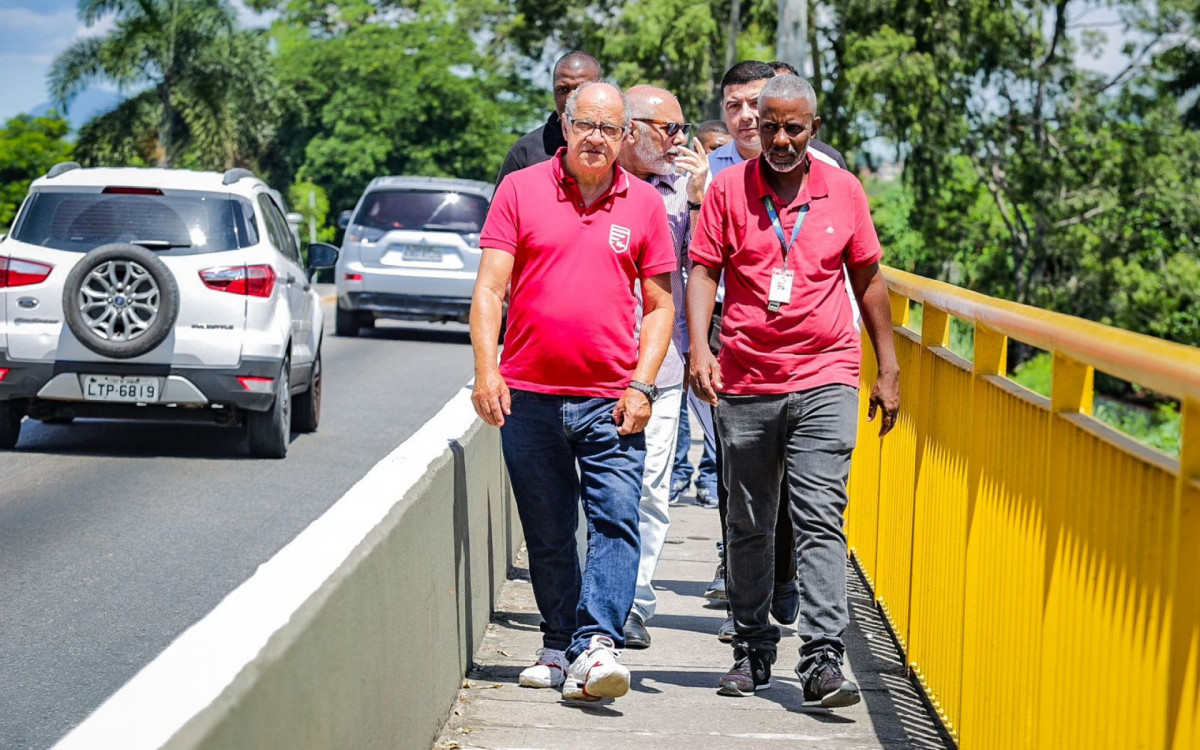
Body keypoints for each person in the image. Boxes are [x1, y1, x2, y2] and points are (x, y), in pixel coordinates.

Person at [687, 74, 900, 707]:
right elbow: (703, 270)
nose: (780, 138)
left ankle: (823, 660)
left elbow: (867, 278)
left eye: (794, 127)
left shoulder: (845, 190)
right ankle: (752, 651)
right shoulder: (729, 189)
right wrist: (701, 346)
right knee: (749, 522)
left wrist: (885, 366)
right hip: (748, 375)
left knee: (819, 515)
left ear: (814, 127)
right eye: (770, 125)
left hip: (828, 370)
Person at [470, 81, 677, 702]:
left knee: (615, 520)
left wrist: (643, 383)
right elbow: (489, 290)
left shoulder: (643, 206)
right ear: (564, 125)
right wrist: (487, 369)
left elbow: (660, 306)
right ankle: (559, 642)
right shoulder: (520, 189)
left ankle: (595, 644)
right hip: (529, 396)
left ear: (624, 137)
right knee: (549, 527)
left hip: (612, 399)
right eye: (584, 124)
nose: (595, 137)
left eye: (609, 129)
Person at [616, 84, 710, 650]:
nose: (678, 140)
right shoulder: (600, 180)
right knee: (596, 488)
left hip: (662, 364)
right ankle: (594, 594)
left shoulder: (685, 190)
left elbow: (710, 269)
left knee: (650, 487)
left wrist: (701, 202)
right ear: (630, 128)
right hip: (593, 361)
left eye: (682, 129)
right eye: (667, 129)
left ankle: (635, 602)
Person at [668, 119, 729, 508]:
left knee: (718, 411)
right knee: (689, 403)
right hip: (691, 314)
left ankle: (709, 474)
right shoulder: (682, 184)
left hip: (726, 313)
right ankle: (680, 473)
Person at [494, 52, 603, 187]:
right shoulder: (525, 152)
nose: (570, 97)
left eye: (580, 88)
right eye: (563, 89)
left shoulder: (618, 147)